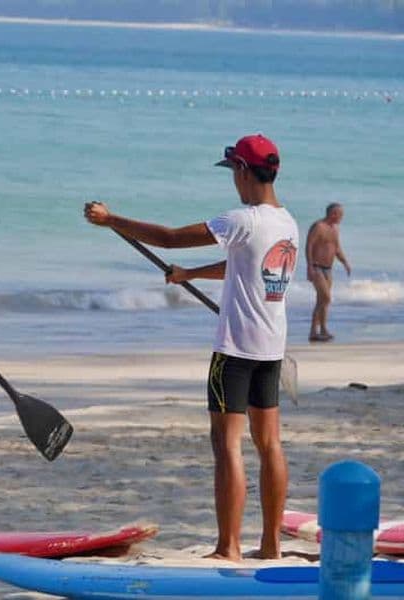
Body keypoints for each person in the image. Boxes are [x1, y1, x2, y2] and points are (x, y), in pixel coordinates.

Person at [84, 134, 298, 561]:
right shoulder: (286, 222)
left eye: (233, 172)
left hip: (234, 350)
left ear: (242, 170)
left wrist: (111, 220)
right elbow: (245, 265)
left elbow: (166, 237)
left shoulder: (243, 220)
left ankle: (229, 547)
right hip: (271, 348)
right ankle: (272, 545)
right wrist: (192, 275)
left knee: (228, 445)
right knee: (269, 443)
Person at [306, 203, 350, 342]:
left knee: (323, 301)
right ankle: (313, 331)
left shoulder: (335, 229)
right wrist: (310, 266)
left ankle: (322, 330)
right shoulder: (318, 226)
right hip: (317, 267)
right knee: (326, 297)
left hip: (328, 269)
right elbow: (309, 245)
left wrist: (345, 263)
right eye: (340, 214)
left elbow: (337, 249)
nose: (342, 217)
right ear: (333, 214)